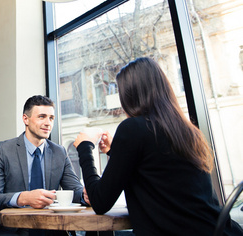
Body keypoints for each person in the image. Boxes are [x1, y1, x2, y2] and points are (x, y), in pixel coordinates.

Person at [74, 57, 243, 236]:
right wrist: (116, 150)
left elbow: (100, 202)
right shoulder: (186, 130)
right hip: (219, 230)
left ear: (130, 94)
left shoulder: (132, 128)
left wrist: (85, 147)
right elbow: (157, 170)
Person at [0, 95, 85, 236]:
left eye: (51, 118)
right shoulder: (3, 150)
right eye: (41, 117)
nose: (48, 123)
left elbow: (75, 190)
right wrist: (24, 198)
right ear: (26, 119)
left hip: (51, 228)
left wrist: (86, 196)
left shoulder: (59, 152)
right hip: (12, 230)